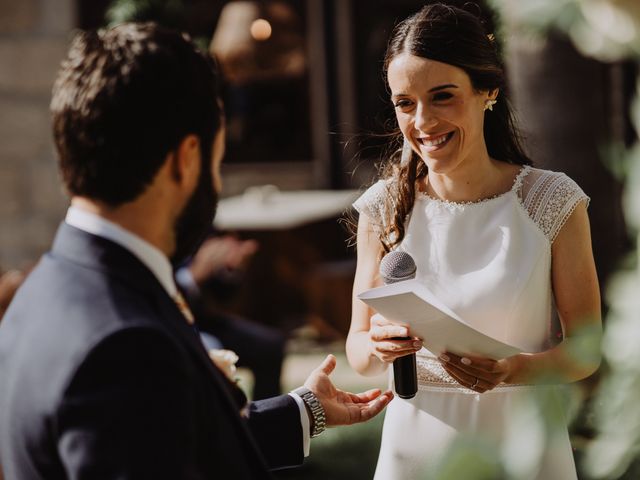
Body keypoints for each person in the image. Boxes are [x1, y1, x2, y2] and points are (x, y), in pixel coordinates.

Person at [0, 23, 393, 480]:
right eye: (217, 157)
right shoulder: (127, 345)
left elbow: (164, 444)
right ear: (186, 158)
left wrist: (302, 412)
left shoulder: (46, 287)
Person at [346, 4, 602, 479]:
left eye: (442, 96)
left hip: (521, 451)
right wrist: (378, 346)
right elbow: (358, 353)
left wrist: (513, 370)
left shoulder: (552, 200)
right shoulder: (382, 207)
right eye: (405, 103)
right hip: (413, 453)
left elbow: (586, 352)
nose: (422, 121)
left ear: (488, 91)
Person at [176, 233, 286, 399]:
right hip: (174, 322)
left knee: (270, 344)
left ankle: (266, 414)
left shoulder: (202, 228)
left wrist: (232, 269)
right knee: (210, 349)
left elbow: (221, 296)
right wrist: (193, 276)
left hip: (203, 320)